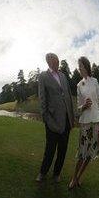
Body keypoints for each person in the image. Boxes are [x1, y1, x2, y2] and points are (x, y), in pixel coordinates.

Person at [36, 53, 74, 183]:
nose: (56, 62)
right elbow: (42, 98)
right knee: (50, 150)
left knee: (63, 150)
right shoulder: (43, 76)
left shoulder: (63, 76)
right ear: (48, 62)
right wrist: (45, 117)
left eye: (57, 60)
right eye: (53, 60)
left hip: (66, 120)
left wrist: (71, 118)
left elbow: (68, 95)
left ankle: (57, 174)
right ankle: (43, 172)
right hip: (52, 120)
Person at [69, 56, 99, 189]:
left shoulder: (95, 81)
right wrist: (83, 106)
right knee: (82, 153)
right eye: (78, 66)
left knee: (90, 154)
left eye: (81, 65)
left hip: (96, 122)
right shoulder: (79, 85)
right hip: (85, 123)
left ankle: (78, 177)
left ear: (86, 66)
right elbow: (78, 108)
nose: (79, 68)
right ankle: (73, 177)